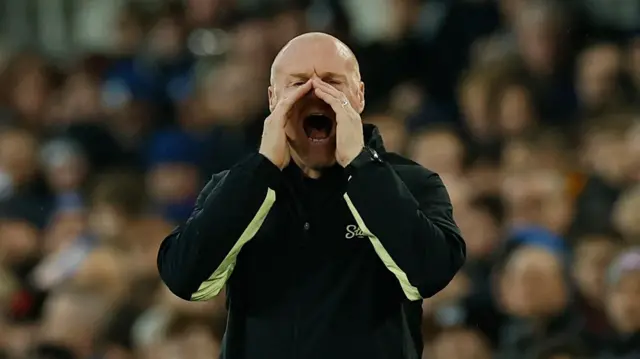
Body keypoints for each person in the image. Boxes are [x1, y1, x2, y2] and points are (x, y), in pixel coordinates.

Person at [157, 32, 466, 359]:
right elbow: (185, 278)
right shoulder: (236, 187)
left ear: (359, 96)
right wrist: (262, 171)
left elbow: (431, 273)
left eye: (333, 82)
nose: (316, 95)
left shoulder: (414, 183)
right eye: (298, 84)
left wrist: (361, 168)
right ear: (273, 99)